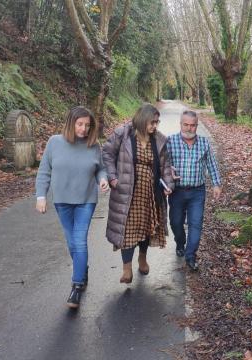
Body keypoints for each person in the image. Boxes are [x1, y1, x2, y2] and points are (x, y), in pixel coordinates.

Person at [35, 106, 109, 309]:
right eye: (80, 124)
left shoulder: (93, 145)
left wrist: (103, 180)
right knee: (71, 242)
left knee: (79, 240)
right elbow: (44, 172)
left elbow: (101, 168)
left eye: (87, 125)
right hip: (62, 201)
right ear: (71, 123)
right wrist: (41, 196)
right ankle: (82, 269)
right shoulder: (54, 142)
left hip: (86, 200)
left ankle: (77, 286)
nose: (84, 129)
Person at [103, 103, 174, 284]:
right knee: (127, 231)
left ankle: (142, 258)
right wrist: (112, 177)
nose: (155, 126)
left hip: (150, 193)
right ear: (143, 120)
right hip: (127, 192)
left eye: (157, 122)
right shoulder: (123, 134)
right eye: (152, 122)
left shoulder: (159, 140)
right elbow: (108, 153)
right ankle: (127, 270)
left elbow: (166, 166)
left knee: (145, 228)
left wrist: (169, 184)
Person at [167, 110, 222, 271]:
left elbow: (212, 164)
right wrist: (167, 170)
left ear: (197, 126)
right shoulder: (170, 142)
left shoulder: (204, 143)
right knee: (176, 222)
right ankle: (179, 242)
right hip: (176, 192)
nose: (189, 128)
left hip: (197, 192)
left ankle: (190, 256)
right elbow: (162, 164)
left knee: (195, 224)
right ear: (181, 124)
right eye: (186, 124)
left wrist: (217, 184)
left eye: (193, 125)